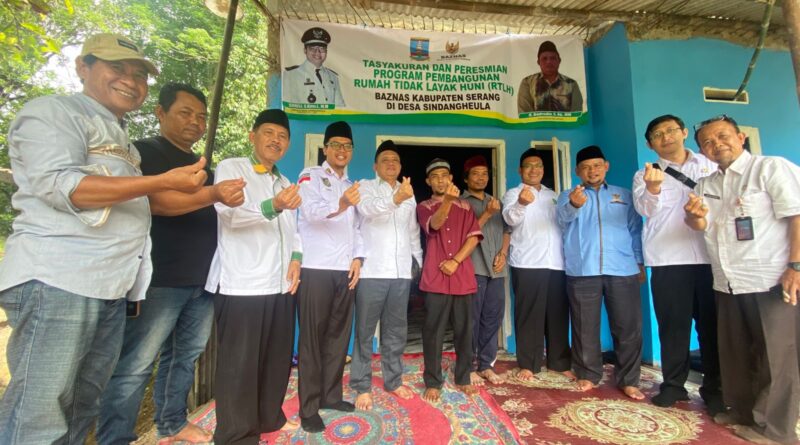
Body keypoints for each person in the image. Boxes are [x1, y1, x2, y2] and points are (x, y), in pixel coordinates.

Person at [0, 33, 208, 444]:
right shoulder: (54, 112)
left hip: (111, 286)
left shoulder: (123, 142)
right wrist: (163, 182)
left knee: (82, 404)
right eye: (117, 68)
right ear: (83, 67)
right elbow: (63, 186)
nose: (130, 80)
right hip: (58, 280)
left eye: (139, 74)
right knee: (40, 414)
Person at [97, 84, 246, 444]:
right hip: (160, 277)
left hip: (203, 278)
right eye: (185, 113)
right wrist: (213, 193)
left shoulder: (203, 166)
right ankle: (115, 437)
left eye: (201, 116)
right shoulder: (143, 154)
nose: (195, 122)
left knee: (185, 356)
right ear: (160, 113)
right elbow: (157, 203)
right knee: (136, 364)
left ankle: (172, 423)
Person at [684, 115, 800, 445]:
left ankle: (776, 430)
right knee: (736, 352)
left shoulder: (770, 168)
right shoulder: (706, 185)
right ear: (702, 151)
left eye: (723, 136)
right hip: (728, 279)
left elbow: (796, 215)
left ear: (740, 137)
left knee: (777, 357)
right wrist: (694, 217)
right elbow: (700, 225)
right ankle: (743, 412)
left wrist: (796, 266)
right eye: (708, 142)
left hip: (770, 279)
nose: (716, 144)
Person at [205, 109, 302, 445]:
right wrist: (273, 206)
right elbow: (229, 216)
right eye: (269, 133)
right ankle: (236, 435)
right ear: (253, 136)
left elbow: (293, 229)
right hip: (243, 283)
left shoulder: (285, 182)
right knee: (240, 364)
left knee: (276, 358)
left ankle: (268, 417)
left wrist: (297, 258)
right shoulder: (233, 168)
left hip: (279, 284)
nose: (276, 140)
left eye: (283, 136)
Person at [631, 114, 723, 414]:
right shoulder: (645, 174)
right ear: (650, 144)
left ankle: (715, 389)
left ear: (683, 132)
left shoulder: (709, 165)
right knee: (672, 327)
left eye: (671, 130)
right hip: (668, 260)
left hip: (711, 257)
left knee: (713, 326)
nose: (666, 137)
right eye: (658, 134)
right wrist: (653, 188)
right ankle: (673, 385)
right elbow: (644, 209)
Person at [557, 145, 645, 400]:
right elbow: (561, 220)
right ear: (577, 171)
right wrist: (574, 205)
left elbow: (635, 230)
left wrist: (639, 262)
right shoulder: (567, 195)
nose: (592, 171)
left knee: (627, 326)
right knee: (584, 326)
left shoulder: (624, 195)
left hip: (622, 268)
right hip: (583, 270)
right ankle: (588, 373)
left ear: (606, 166)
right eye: (585, 167)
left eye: (596, 165)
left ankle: (629, 380)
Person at [296, 121, 363, 432]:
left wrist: (358, 258)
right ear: (325, 149)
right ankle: (309, 407)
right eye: (335, 145)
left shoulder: (351, 183)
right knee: (313, 339)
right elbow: (310, 212)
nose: (341, 150)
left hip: (344, 270)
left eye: (347, 146)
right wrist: (342, 203)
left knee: (338, 336)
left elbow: (357, 227)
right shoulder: (310, 175)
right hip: (316, 268)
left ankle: (330, 395)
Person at [350, 140, 423, 411]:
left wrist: (418, 261)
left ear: (400, 166)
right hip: (372, 271)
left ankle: (393, 380)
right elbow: (368, 210)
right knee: (365, 331)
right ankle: (362, 385)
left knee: (396, 330)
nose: (391, 164)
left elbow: (413, 230)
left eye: (395, 160)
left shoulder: (408, 193)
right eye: (385, 160)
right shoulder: (365, 187)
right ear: (375, 166)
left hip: (400, 272)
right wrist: (396, 199)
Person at [502, 148, 572, 382]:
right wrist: (521, 203)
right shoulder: (513, 193)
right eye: (529, 166)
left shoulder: (554, 195)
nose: (534, 170)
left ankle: (559, 362)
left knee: (557, 314)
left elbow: (563, 223)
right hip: (527, 262)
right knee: (529, 315)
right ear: (520, 170)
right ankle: (529, 364)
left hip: (557, 262)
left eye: (539, 166)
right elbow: (510, 219)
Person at [417, 158, 483, 403]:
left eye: (444, 175)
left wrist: (456, 261)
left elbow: (473, 238)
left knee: (465, 331)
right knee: (433, 331)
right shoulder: (424, 206)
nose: (440, 180)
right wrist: (446, 202)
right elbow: (434, 224)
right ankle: (433, 381)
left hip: (462, 275)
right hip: (435, 277)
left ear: (451, 178)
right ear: (428, 181)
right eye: (435, 177)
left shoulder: (465, 206)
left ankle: (463, 377)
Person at [460, 155, 510, 386]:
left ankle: (486, 365)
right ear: (466, 178)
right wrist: (488, 213)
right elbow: (464, 234)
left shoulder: (496, 202)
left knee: (492, 318)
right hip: (473, 269)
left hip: (497, 270)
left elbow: (507, 231)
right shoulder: (461, 203)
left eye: (484, 174)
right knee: (470, 319)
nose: (481, 178)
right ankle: (468, 366)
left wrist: (503, 254)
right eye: (475, 174)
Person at [283, 26, 345, 107]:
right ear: (305, 50)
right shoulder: (291, 75)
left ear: (326, 51)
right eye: (312, 48)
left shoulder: (333, 77)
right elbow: (287, 106)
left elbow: (339, 106)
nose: (317, 52)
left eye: (322, 49)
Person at [517, 40, 583, 114]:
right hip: (535, 122)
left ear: (559, 61)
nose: (549, 62)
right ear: (538, 62)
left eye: (553, 58)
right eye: (544, 58)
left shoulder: (571, 84)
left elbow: (577, 114)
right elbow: (524, 114)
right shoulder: (527, 83)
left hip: (566, 122)